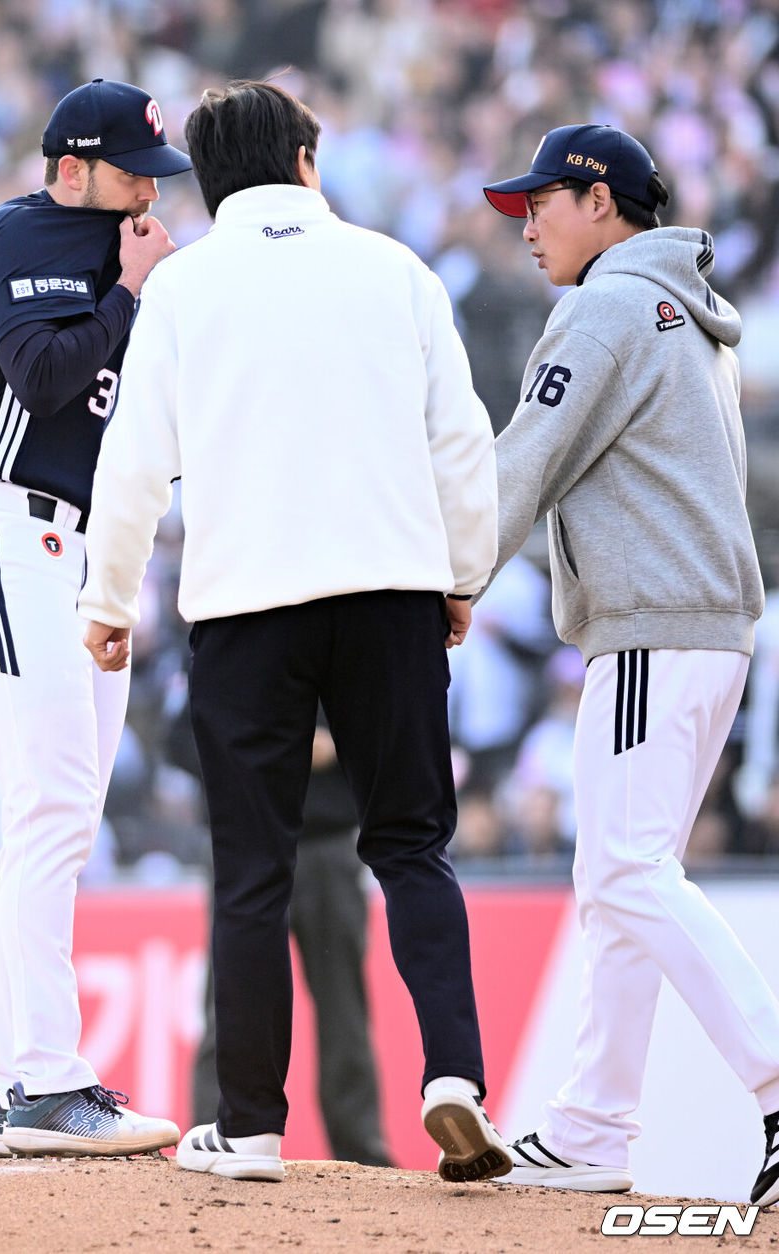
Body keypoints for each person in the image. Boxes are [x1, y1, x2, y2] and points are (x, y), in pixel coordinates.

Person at [78, 80, 509, 1185]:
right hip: (391, 590)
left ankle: (253, 1127)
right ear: (308, 160)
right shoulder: (396, 271)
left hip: (245, 605)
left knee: (250, 871)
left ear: (208, 182)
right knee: (412, 846)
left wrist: (108, 601)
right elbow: (462, 442)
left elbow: (131, 462)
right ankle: (454, 1076)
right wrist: (461, 579)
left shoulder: (184, 288)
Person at [480, 123, 779, 1207]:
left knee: (627, 873)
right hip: (698, 631)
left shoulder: (604, 304)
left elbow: (523, 461)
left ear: (600, 200)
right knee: (615, 877)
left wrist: (446, 583)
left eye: (542, 202)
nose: (527, 226)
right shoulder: (686, 315)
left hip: (656, 630)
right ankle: (591, 1125)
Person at [0, 78, 190, 1158]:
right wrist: (131, 292)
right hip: (3, 531)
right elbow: (40, 376)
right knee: (48, 804)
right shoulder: (18, 234)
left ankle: (38, 1081)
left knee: (71, 811)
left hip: (87, 550)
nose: (149, 190)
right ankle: (34, 1081)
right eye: (131, 169)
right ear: (72, 165)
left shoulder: (135, 253)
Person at [187, 712, 394, 1168]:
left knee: (343, 1012)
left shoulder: (349, 647)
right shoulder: (224, 642)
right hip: (243, 843)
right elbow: (181, 738)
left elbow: (386, 725)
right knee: (229, 1000)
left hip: (327, 843)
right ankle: (212, 1128)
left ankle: (361, 1153)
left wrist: (339, 745)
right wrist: (275, 748)